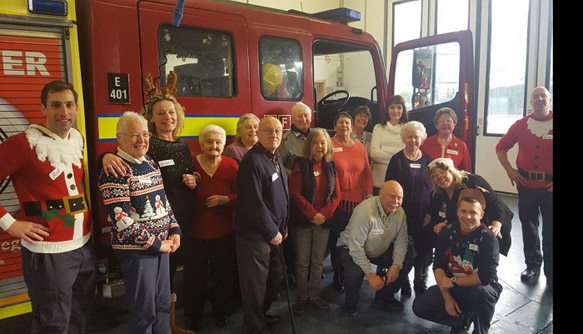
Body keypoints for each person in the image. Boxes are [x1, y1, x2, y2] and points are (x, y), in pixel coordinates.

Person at [101, 74, 196, 334]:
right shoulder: (115, 170)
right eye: (134, 135)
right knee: (145, 311)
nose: (141, 140)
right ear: (119, 138)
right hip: (138, 252)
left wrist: (174, 230)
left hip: (161, 247)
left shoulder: (150, 163)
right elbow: (122, 222)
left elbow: (163, 203)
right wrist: (158, 243)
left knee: (162, 305)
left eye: (144, 134)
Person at [0, 80, 95, 333]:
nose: (64, 113)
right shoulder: (22, 144)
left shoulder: (77, 139)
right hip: (49, 254)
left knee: (79, 317)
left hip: (84, 247)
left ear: (76, 108)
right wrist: (10, 224)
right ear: (43, 108)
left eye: (69, 105)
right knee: (52, 323)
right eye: (55, 105)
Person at [413, 188, 503, 334]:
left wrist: (454, 281)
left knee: (481, 294)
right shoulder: (447, 231)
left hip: (480, 287)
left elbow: (486, 277)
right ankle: (462, 320)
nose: (467, 216)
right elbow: (438, 266)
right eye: (463, 211)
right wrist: (447, 297)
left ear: (481, 215)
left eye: (473, 212)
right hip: (452, 286)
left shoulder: (488, 238)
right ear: (457, 212)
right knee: (419, 306)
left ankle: (480, 330)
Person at [235, 116, 289, 334]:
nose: (274, 135)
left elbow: (282, 194)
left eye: (278, 131)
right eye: (268, 131)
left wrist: (283, 227)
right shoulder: (252, 161)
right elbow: (253, 203)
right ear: (259, 133)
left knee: (270, 281)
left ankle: (261, 316)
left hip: (274, 232)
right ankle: (254, 326)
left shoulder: (274, 157)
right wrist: (272, 231)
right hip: (255, 236)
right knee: (254, 286)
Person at [495, 86, 553, 288]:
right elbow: (500, 147)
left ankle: (551, 272)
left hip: (550, 188)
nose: (539, 99)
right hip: (526, 185)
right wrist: (510, 170)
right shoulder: (520, 125)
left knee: (551, 230)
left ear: (549, 100)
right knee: (528, 226)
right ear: (531, 101)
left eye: (543, 96)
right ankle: (533, 265)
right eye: (536, 96)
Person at [187, 124, 238, 330]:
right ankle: (194, 316)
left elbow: (243, 194)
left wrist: (227, 199)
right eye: (209, 141)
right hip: (195, 231)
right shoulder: (190, 165)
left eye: (218, 142)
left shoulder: (231, 165)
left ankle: (221, 312)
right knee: (194, 278)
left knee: (222, 275)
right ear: (201, 144)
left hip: (224, 231)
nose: (214, 145)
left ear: (224, 145)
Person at [336, 180, 412, 316]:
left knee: (408, 257)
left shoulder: (400, 213)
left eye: (399, 198)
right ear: (380, 194)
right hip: (351, 248)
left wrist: (396, 265)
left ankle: (384, 296)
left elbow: (402, 241)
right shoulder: (365, 211)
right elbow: (356, 246)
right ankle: (350, 304)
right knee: (355, 274)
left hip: (378, 248)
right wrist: (370, 274)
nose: (396, 201)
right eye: (392, 196)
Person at [288, 128, 341, 315]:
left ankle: (314, 295)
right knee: (302, 262)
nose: (320, 146)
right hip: (303, 222)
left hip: (323, 223)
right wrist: (312, 215)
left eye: (323, 143)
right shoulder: (300, 164)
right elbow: (294, 194)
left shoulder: (331, 166)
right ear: (309, 145)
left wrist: (323, 215)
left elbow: (336, 195)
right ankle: (302, 298)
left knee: (318, 261)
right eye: (316, 142)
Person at [425, 158, 513, 257]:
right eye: (434, 176)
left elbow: (496, 205)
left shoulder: (472, 181)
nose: (439, 178)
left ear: (451, 170)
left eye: (441, 172)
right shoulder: (437, 194)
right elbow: (440, 214)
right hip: (462, 230)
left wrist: (496, 226)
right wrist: (440, 224)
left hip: (485, 223)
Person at [385, 121, 433, 295]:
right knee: (403, 248)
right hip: (402, 215)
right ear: (404, 138)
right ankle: (403, 279)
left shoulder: (429, 161)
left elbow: (435, 190)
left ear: (422, 139)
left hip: (424, 216)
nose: (413, 140)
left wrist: (431, 213)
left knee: (424, 249)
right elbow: (388, 188)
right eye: (410, 137)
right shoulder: (396, 160)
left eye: (416, 137)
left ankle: (420, 279)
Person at [328, 111, 373, 292]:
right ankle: (338, 273)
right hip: (338, 203)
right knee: (337, 241)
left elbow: (367, 173)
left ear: (351, 125)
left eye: (347, 123)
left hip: (359, 204)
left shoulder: (360, 146)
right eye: (340, 123)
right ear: (335, 126)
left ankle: (353, 273)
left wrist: (369, 195)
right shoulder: (329, 145)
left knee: (356, 241)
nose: (344, 126)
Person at [370, 95, 408, 194]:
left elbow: (407, 156)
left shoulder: (408, 130)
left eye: (399, 107)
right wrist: (398, 157)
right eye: (392, 107)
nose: (395, 111)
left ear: (403, 110)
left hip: (400, 182)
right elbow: (374, 154)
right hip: (379, 182)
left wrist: (383, 151)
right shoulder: (378, 128)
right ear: (387, 109)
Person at [421, 107, 472, 172]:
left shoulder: (461, 146)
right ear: (436, 125)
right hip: (430, 181)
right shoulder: (426, 143)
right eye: (442, 121)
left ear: (454, 124)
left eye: (449, 121)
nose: (445, 124)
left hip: (454, 181)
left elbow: (466, 171)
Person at [278, 101, 313, 174]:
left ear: (310, 118)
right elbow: (278, 165)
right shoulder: (284, 140)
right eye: (299, 116)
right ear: (292, 120)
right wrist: (294, 175)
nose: (303, 119)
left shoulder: (318, 136)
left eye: (306, 115)